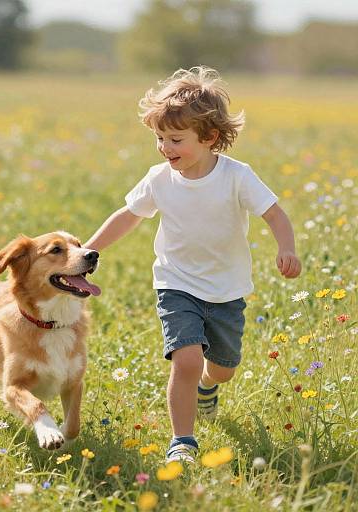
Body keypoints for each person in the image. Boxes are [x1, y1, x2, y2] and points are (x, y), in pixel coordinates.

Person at [84, 66, 301, 464]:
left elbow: (274, 214)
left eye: (176, 139)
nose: (165, 147)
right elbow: (128, 216)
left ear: (210, 137)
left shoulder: (237, 177)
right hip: (176, 282)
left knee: (222, 369)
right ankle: (182, 441)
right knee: (185, 359)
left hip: (226, 289)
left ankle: (208, 386)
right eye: (160, 138)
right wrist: (88, 251)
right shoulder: (158, 179)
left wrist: (286, 247)